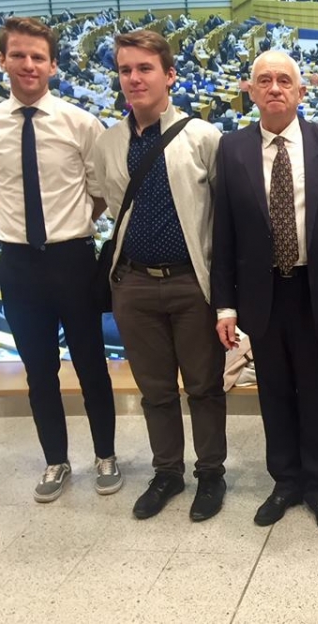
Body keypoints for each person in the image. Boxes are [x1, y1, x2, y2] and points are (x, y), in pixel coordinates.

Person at [0, 17, 121, 503]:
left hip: (72, 259)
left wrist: (67, 225)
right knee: (39, 371)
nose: (28, 64)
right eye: (18, 55)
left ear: (53, 65)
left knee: (91, 365)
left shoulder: (81, 123)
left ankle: (106, 455)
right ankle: (56, 460)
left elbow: (99, 192)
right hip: (18, 263)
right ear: (2, 61)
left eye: (38, 57)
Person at [211, 51, 318, 535]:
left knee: (316, 392)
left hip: (316, 291)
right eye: (264, 80)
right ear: (251, 91)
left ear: (301, 91)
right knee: (273, 392)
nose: (274, 88)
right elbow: (224, 232)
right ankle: (285, 482)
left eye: (284, 80)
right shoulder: (231, 149)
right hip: (262, 294)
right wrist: (225, 304)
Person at [92, 30, 227, 522]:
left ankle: (210, 474)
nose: (134, 78)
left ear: (169, 75)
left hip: (191, 281)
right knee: (155, 390)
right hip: (134, 283)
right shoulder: (109, 142)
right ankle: (167, 472)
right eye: (125, 70)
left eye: (145, 68)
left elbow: (223, 217)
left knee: (204, 386)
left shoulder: (203, 137)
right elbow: (109, 206)